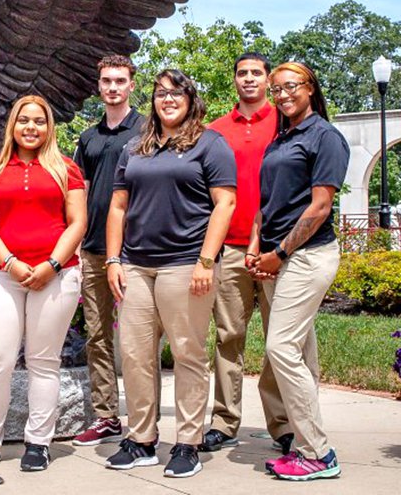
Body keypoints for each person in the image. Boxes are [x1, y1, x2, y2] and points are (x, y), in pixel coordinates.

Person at [106, 69, 236, 479]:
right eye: (160, 93)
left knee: (187, 354)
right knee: (135, 355)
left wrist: (206, 261)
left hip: (185, 264)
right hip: (137, 265)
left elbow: (225, 204)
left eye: (176, 91)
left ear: (190, 97)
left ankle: (187, 443)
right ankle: (141, 439)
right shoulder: (135, 147)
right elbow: (118, 208)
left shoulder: (210, 144)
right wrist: (113, 260)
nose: (168, 98)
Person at [0, 95, 86, 472]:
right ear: (12, 126)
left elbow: (78, 222)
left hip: (58, 275)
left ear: (50, 127)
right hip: (4, 275)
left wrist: (52, 264)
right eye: (23, 121)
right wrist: (11, 263)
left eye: (39, 121)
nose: (31, 127)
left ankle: (38, 442)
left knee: (43, 362)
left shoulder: (68, 169)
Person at [248, 62, 349, 482]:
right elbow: (270, 200)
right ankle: (308, 443)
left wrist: (280, 251)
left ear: (310, 88)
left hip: (307, 257)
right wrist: (257, 245)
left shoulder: (325, 137)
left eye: (291, 86)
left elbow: (320, 206)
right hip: (278, 256)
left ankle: (317, 453)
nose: (283, 94)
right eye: (277, 89)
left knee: (281, 349)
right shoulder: (283, 137)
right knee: (301, 355)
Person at [201, 53, 290, 454]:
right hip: (231, 248)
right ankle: (224, 420)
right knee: (228, 336)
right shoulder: (214, 132)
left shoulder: (287, 124)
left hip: (278, 249)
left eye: (256, 73)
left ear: (267, 79)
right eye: (242, 73)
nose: (249, 79)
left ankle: (283, 423)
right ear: (234, 79)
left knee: (280, 340)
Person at [72, 55, 143, 447]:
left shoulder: (146, 131)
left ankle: (142, 419)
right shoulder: (89, 137)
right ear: (98, 87)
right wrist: (79, 245)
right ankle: (106, 417)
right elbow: (79, 192)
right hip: (95, 249)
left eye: (120, 80)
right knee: (97, 336)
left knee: (136, 340)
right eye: (106, 81)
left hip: (136, 251)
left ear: (132, 84)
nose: (113, 87)